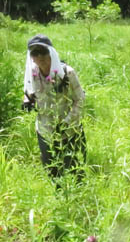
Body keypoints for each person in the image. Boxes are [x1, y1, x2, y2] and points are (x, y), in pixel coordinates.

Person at [22, 34, 86, 179]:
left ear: (51, 52)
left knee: (75, 172)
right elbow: (28, 90)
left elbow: (80, 99)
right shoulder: (32, 73)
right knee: (53, 172)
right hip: (45, 131)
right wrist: (27, 101)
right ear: (31, 56)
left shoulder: (67, 73)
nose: (40, 57)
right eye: (35, 53)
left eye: (43, 51)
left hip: (69, 131)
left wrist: (66, 122)